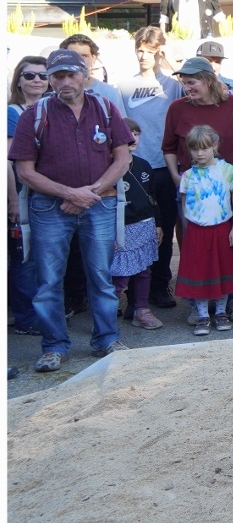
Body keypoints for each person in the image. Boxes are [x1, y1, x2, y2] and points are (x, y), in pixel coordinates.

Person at [8, 49, 134, 372]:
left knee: (101, 276)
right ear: (50, 80)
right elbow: (25, 172)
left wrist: (90, 193)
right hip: (49, 207)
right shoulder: (34, 115)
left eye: (71, 75)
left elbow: (123, 158)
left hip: (99, 203)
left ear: (84, 75)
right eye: (57, 76)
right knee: (48, 281)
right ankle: (54, 347)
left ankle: (107, 339)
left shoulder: (106, 108)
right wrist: (70, 193)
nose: (65, 82)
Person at [160, 56, 233, 325]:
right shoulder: (177, 108)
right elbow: (168, 147)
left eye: (192, 82)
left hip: (228, 187)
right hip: (193, 191)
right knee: (196, 247)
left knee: (230, 244)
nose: (187, 87)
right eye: (184, 82)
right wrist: (176, 176)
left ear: (209, 80)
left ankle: (232, 298)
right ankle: (197, 303)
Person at [117, 26, 184, 309]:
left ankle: (160, 284)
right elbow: (122, 128)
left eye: (150, 50)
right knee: (134, 230)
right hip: (135, 167)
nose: (144, 55)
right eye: (140, 50)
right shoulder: (123, 86)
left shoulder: (174, 85)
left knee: (164, 229)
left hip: (165, 165)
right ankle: (134, 292)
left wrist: (168, 61)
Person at [176, 125, 233, 336]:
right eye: (195, 149)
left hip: (222, 228)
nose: (200, 153)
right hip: (197, 231)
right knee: (200, 272)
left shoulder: (228, 171)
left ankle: (221, 312)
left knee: (222, 270)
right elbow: (184, 205)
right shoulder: (187, 176)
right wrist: (188, 231)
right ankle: (203, 315)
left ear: (215, 146)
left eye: (204, 148)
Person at [7, 55, 49, 336]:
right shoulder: (12, 113)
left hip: (48, 196)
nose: (37, 80)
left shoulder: (52, 109)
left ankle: (42, 313)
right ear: (18, 81)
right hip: (23, 195)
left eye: (43, 76)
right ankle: (25, 317)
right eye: (29, 75)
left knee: (43, 257)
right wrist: (13, 200)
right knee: (25, 258)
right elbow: (8, 162)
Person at [110, 119, 164, 330]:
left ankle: (141, 310)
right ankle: (106, 316)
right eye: (127, 133)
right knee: (119, 275)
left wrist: (158, 223)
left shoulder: (144, 165)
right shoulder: (108, 167)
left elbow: (153, 197)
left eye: (136, 133)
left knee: (144, 271)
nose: (132, 138)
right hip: (119, 227)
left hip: (144, 224)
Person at [60, 34, 126, 114]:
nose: (80, 60)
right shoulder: (56, 91)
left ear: (94, 57)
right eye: (74, 55)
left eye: (84, 56)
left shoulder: (109, 93)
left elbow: (120, 121)